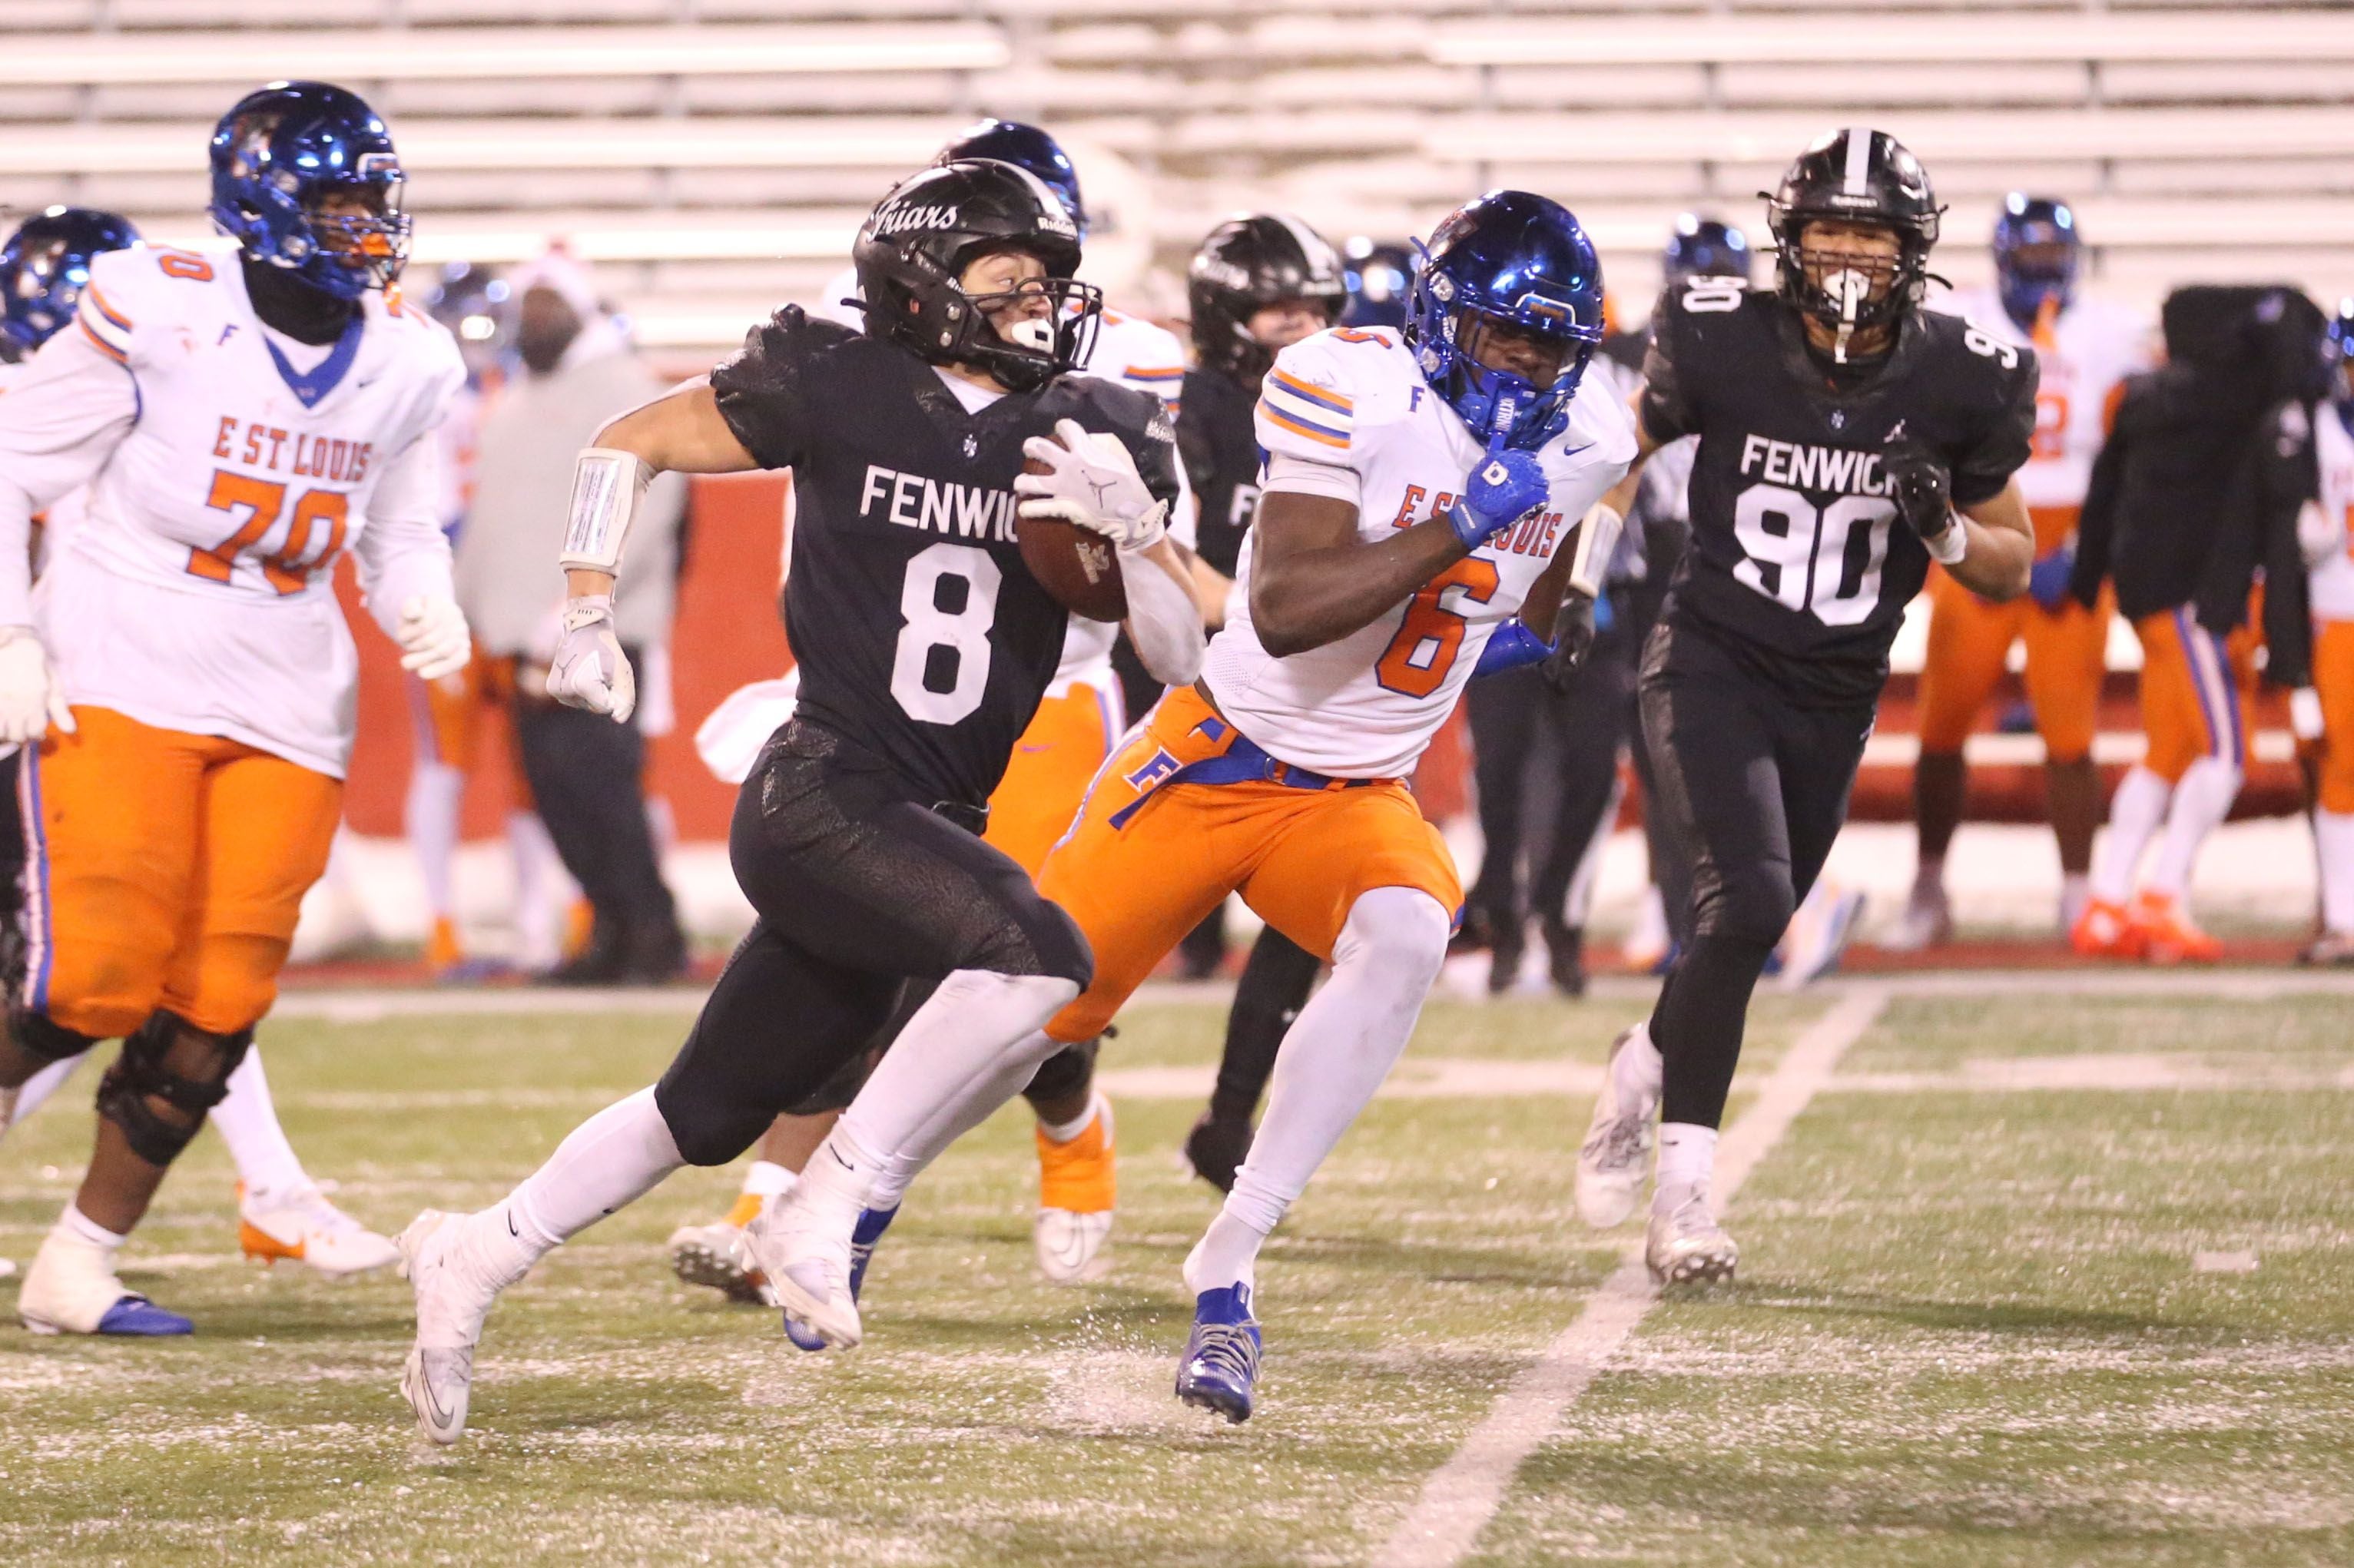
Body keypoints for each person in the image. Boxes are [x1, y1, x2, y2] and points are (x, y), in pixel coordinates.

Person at [751, 189, 1636, 1424]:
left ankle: (1230, 1262)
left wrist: (1561, 604)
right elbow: (1285, 607)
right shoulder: (1344, 382)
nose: (1532, 367)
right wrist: (1470, 515)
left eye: (1553, 342)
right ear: (1442, 325)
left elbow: (1540, 555)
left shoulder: (1591, 423)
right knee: (1035, 993)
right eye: (1506, 337)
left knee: (1409, 933)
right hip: (1220, 754)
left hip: (1356, 791)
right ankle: (849, 1192)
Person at [395, 158, 1205, 1444]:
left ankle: (476, 1252)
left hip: (929, 817)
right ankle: (825, 1205)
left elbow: (1176, 655)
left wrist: (1140, 537)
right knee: (1041, 955)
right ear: (923, 286)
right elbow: (630, 441)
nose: (1039, 305)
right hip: (822, 788)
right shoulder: (832, 375)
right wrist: (588, 604)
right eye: (1007, 283)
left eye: (1048, 283)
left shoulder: (1091, 416)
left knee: (702, 1113)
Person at [663, 120, 1198, 1299]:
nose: (1028, 292)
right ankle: (781, 1206)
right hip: (880, 691)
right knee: (874, 946)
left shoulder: (1134, 371)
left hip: (1051, 690)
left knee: (1036, 974)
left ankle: (1071, 1136)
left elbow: (1171, 570)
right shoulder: (862, 337)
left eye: (1037, 262)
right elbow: (834, 501)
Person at [0, 83, 471, 1334]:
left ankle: (80, 1258)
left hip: (287, 689)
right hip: (128, 651)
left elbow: (397, 520)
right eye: (339, 202)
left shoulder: (409, 353)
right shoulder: (160, 305)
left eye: (377, 199)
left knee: (220, 998)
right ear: (264, 203)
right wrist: (11, 628)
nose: (369, 227)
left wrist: (422, 597)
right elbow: (13, 460)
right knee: (91, 979)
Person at [1573, 128, 2037, 1287]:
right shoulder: (1723, 335)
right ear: (1789, 238)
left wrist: (1940, 528)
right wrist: (1581, 579)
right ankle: (1684, 1197)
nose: (1844, 257)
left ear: (1911, 252)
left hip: (1838, 689)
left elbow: (2012, 560)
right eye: (1827, 231)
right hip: (1713, 659)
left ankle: (1642, 1062)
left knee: (1748, 924)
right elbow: (1620, 455)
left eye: (1868, 237)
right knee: (1752, 898)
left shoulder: (1966, 372)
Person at [1895, 197, 2152, 946]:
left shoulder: (2112, 333)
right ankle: (1929, 886)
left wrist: (2083, 551)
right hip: (1977, 535)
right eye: (2030, 260)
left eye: (2052, 260)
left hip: (2072, 545)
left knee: (2070, 736)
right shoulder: (1959, 321)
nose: (2042, 276)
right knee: (1941, 727)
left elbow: (2132, 456)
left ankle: (2078, 891)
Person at [1170, 213, 1350, 1188]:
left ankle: (1229, 1122)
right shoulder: (1188, 409)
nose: (1301, 326)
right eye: (1280, 308)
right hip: (1186, 691)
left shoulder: (1352, 405)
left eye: (1316, 307)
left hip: (1293, 701)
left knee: (1299, 922)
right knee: (1086, 940)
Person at [2068, 284, 2325, 963]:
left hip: (2149, 594)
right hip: (2189, 596)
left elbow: (2103, 491)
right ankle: (2162, 895)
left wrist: (2086, 575)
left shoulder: (2147, 399)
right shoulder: (2232, 398)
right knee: (2226, 753)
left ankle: (2107, 901)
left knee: (2170, 750)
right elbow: (2293, 361)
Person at [456, 249, 688, 985]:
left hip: (598, 632)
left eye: (547, 307)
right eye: (527, 309)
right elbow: (489, 515)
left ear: (582, 309)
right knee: (556, 793)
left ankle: (652, 932)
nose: (533, 323)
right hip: (520, 636)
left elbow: (654, 508)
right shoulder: (517, 398)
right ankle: (609, 930)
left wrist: (581, 605)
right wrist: (471, 607)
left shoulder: (622, 389)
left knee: (603, 786)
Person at [2214, 300, 2354, 964]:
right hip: (2333, 623)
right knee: (2337, 766)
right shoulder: (2302, 428)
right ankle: (2342, 913)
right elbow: (2265, 526)